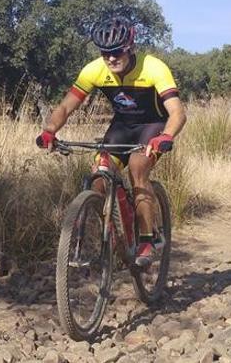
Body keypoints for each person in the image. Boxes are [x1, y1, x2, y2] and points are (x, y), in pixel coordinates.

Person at [36, 17, 187, 267]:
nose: (111, 58)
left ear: (130, 48)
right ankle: (121, 233)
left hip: (153, 126)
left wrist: (166, 136)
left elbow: (178, 112)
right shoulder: (94, 70)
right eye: (105, 53)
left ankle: (148, 238)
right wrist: (50, 130)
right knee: (98, 178)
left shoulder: (154, 68)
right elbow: (65, 106)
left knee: (138, 167)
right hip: (122, 127)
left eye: (117, 52)